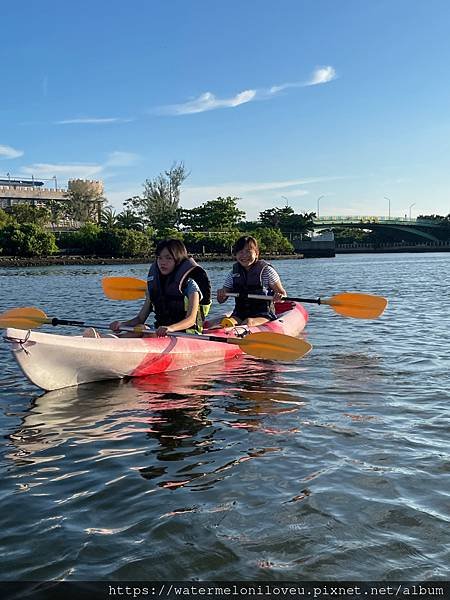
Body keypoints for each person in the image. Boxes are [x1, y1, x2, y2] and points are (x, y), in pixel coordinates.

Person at [109, 239, 211, 337]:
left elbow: (191, 319)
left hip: (186, 334)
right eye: (159, 258)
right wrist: (122, 325)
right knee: (141, 328)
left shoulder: (190, 286)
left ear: (178, 260)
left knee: (149, 333)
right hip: (161, 332)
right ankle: (110, 339)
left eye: (168, 258)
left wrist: (171, 328)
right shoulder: (153, 286)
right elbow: (140, 318)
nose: (163, 262)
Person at [216, 235, 287, 326]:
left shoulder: (267, 271)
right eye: (240, 252)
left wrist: (279, 297)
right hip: (240, 314)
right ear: (236, 255)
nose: (244, 255)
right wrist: (221, 294)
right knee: (228, 322)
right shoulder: (233, 274)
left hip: (264, 315)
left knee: (249, 322)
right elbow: (221, 300)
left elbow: (283, 294)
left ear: (256, 253)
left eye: (248, 251)